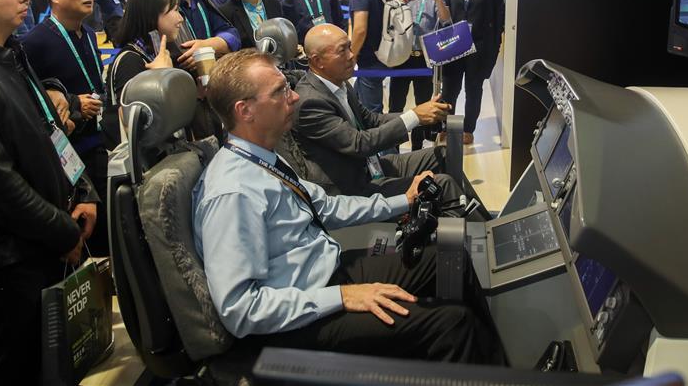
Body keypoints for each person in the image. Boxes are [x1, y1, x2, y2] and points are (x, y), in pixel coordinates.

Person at [195, 49, 504, 363]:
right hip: (293, 319)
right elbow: (241, 310)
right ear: (245, 110)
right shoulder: (232, 193)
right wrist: (341, 296)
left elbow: (326, 208)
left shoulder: (263, 158)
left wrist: (404, 200)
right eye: (280, 91)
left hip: (323, 271)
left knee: (449, 259)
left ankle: (497, 362)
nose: (294, 97)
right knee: (453, 324)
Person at [0, 0, 99, 383]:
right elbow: (3, 184)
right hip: (15, 258)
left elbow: (51, 131)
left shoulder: (15, 53)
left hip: (50, 235)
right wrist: (61, 230)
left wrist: (83, 190)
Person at [293, 24, 487, 221]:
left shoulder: (339, 84)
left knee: (442, 155)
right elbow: (358, 144)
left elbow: (371, 120)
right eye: (342, 50)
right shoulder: (310, 102)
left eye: (349, 47)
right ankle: (483, 230)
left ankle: (482, 221)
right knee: (441, 184)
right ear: (317, 61)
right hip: (351, 188)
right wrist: (414, 117)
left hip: (368, 168)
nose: (351, 55)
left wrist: (419, 114)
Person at [22, 0, 111, 255]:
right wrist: (73, 103)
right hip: (68, 152)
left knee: (105, 229)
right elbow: (34, 99)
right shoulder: (34, 42)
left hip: (98, 143)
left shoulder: (88, 34)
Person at [102, 0, 182, 150]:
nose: (180, 18)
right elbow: (133, 125)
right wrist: (161, 77)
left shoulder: (158, 52)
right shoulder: (130, 60)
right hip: (145, 160)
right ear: (151, 15)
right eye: (175, 10)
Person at [439, 0, 504, 145]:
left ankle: (468, 129)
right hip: (454, 44)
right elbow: (442, 12)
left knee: (474, 90)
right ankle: (446, 127)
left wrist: (497, 42)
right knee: (449, 90)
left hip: (479, 46)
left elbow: (499, 14)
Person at [389, 0, 450, 150]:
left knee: (423, 104)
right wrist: (398, 5)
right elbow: (387, 23)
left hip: (424, 57)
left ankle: (417, 146)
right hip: (401, 57)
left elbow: (446, 21)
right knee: (395, 105)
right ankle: (394, 146)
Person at [349, 0, 394, 113]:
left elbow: (360, 29)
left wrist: (351, 56)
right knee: (357, 102)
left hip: (369, 60)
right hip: (385, 53)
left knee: (372, 111)